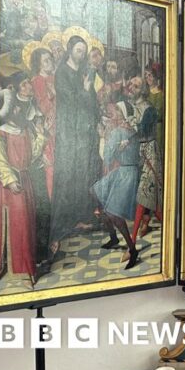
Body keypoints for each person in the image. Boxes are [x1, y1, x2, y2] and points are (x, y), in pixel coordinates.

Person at [0, 76, 47, 288]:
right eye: (14, 108)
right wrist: (10, 179)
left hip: (25, 181)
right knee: (17, 224)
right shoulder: (1, 132)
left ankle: (26, 269)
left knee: (27, 225)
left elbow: (32, 156)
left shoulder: (24, 131)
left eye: (18, 108)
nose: (18, 110)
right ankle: (16, 271)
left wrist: (40, 136)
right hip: (10, 186)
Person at [50, 35, 102, 242]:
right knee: (69, 174)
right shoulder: (62, 72)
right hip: (69, 131)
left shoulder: (83, 72)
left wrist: (97, 120)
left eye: (84, 51)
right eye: (79, 50)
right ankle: (66, 221)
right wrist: (86, 89)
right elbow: (70, 100)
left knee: (84, 173)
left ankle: (82, 217)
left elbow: (92, 102)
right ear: (70, 50)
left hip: (84, 131)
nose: (82, 54)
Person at [92, 106, 140, 269]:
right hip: (123, 171)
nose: (113, 116)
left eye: (116, 113)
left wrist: (104, 138)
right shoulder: (128, 130)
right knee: (95, 191)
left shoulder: (120, 132)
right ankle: (113, 237)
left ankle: (132, 249)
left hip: (127, 173)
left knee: (113, 213)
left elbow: (107, 157)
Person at [128, 76, 163, 243]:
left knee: (145, 195)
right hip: (140, 153)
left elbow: (142, 132)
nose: (131, 88)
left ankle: (132, 242)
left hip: (150, 153)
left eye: (135, 86)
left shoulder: (148, 109)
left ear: (142, 91)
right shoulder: (133, 107)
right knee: (147, 196)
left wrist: (129, 125)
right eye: (131, 85)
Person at [29, 47, 56, 198]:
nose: (50, 62)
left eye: (50, 59)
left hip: (61, 125)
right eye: (45, 61)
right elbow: (44, 107)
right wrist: (54, 95)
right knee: (50, 166)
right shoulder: (37, 81)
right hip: (48, 128)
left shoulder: (55, 78)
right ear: (38, 64)